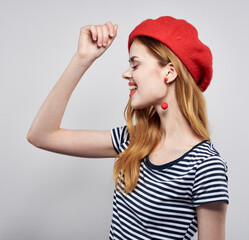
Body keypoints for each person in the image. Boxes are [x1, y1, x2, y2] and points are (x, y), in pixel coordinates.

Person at [27, 16, 229, 240]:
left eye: (135, 64)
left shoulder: (206, 166)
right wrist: (82, 59)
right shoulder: (132, 140)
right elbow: (41, 136)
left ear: (169, 73)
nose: (126, 73)